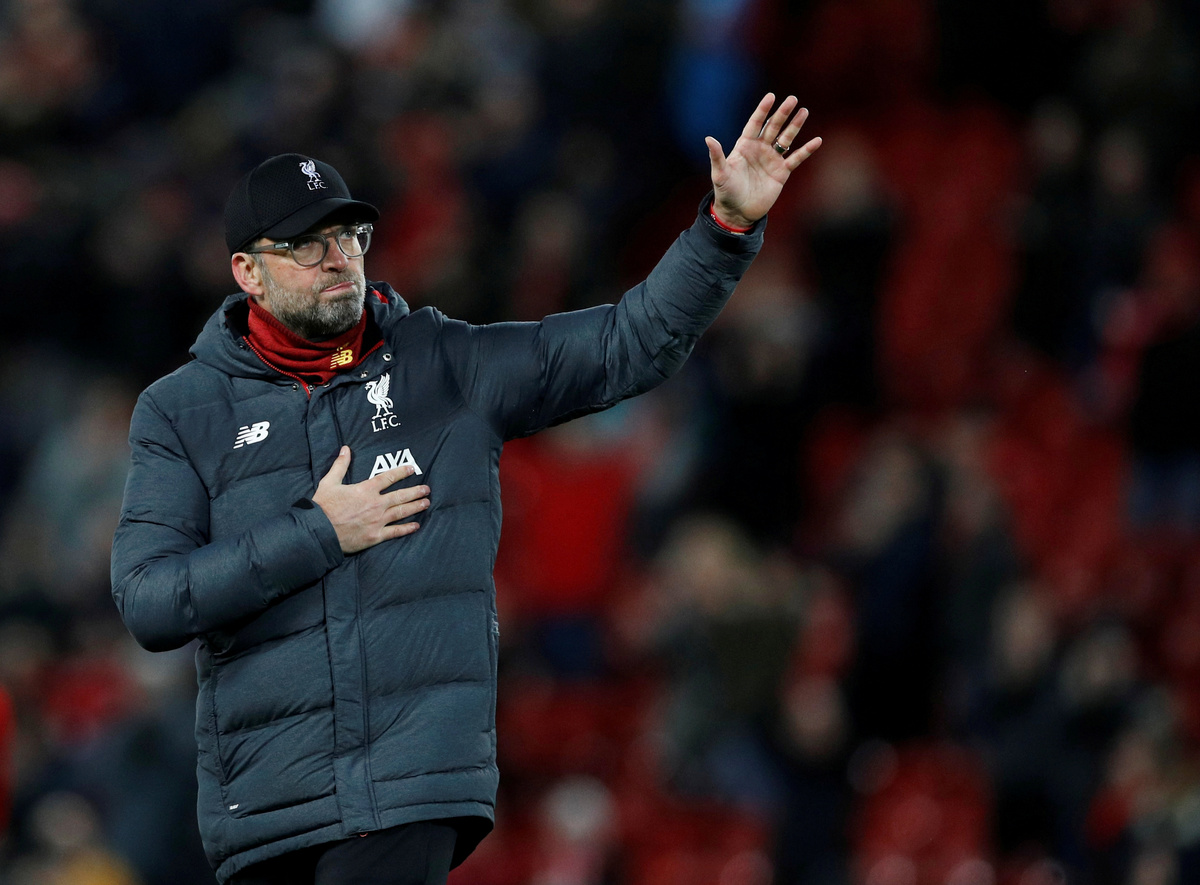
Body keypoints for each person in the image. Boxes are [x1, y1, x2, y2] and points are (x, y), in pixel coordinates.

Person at [110, 94, 821, 885]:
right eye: (308, 246)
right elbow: (150, 600)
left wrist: (724, 229)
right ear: (248, 271)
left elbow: (630, 342)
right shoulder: (181, 411)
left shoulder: (446, 364)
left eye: (349, 236)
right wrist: (318, 531)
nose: (339, 259)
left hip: (409, 786)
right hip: (265, 807)